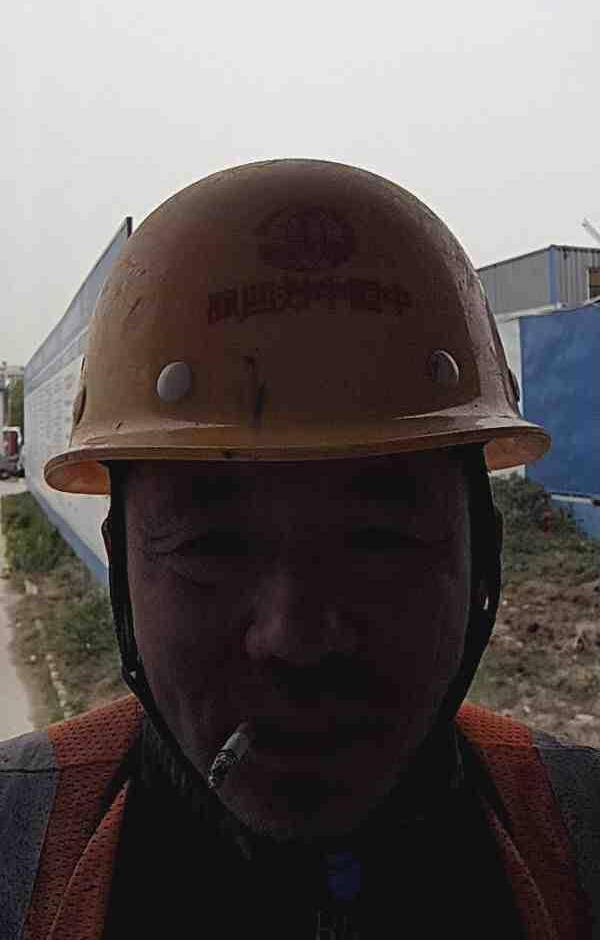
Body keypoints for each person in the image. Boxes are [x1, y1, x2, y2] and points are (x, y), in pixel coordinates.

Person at [1, 160, 598, 939]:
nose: (296, 639)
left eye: (379, 540)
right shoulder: (21, 842)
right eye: (211, 544)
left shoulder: (577, 832)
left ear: (482, 556)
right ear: (124, 563)